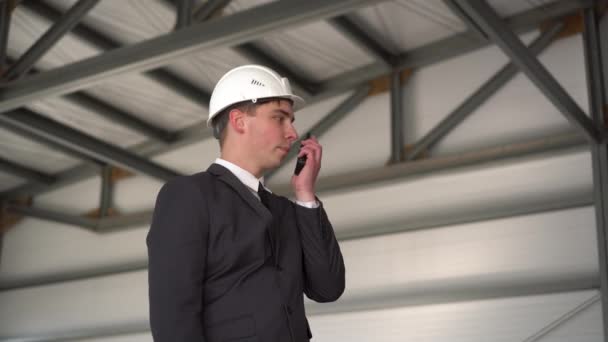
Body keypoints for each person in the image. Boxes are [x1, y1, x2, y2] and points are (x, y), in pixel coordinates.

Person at [147, 65, 345, 342]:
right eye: (280, 118)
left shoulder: (286, 211)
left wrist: (306, 195)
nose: (292, 132)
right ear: (239, 121)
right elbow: (174, 317)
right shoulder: (189, 196)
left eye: (291, 120)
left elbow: (328, 287)